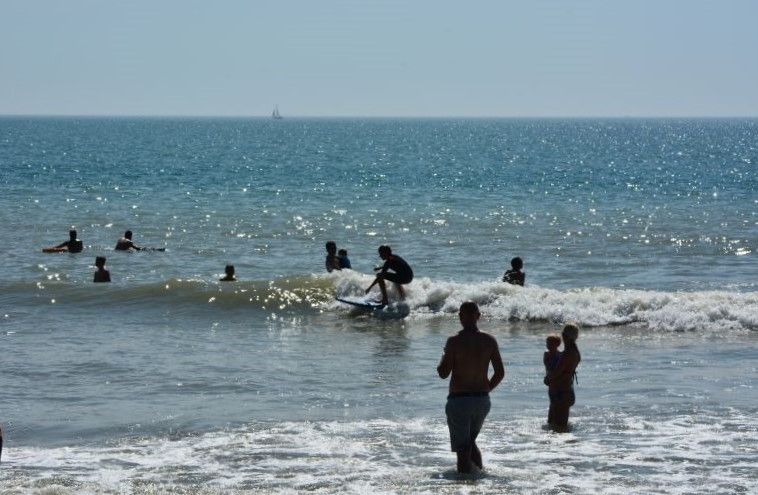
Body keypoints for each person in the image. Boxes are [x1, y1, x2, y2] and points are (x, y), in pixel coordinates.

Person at [437, 302, 505, 474]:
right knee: (470, 442)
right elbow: (500, 373)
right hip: (482, 400)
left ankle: (464, 485)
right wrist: (486, 390)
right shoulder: (489, 340)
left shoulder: (454, 341)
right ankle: (479, 479)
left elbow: (443, 373)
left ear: (460, 317)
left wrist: (443, 354)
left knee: (463, 449)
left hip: (460, 400)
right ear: (478, 316)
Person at [546, 324, 581, 431]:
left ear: (566, 336)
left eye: (563, 335)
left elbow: (556, 373)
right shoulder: (574, 351)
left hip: (562, 395)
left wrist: (547, 379)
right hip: (564, 392)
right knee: (554, 428)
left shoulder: (568, 354)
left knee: (559, 430)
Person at [543, 335, 562, 424]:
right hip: (550, 380)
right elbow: (548, 366)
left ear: (557, 344)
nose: (548, 345)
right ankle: (550, 420)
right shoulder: (547, 353)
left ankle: (557, 419)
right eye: (547, 343)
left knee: (558, 401)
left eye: (550, 343)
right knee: (552, 401)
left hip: (559, 380)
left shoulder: (561, 354)